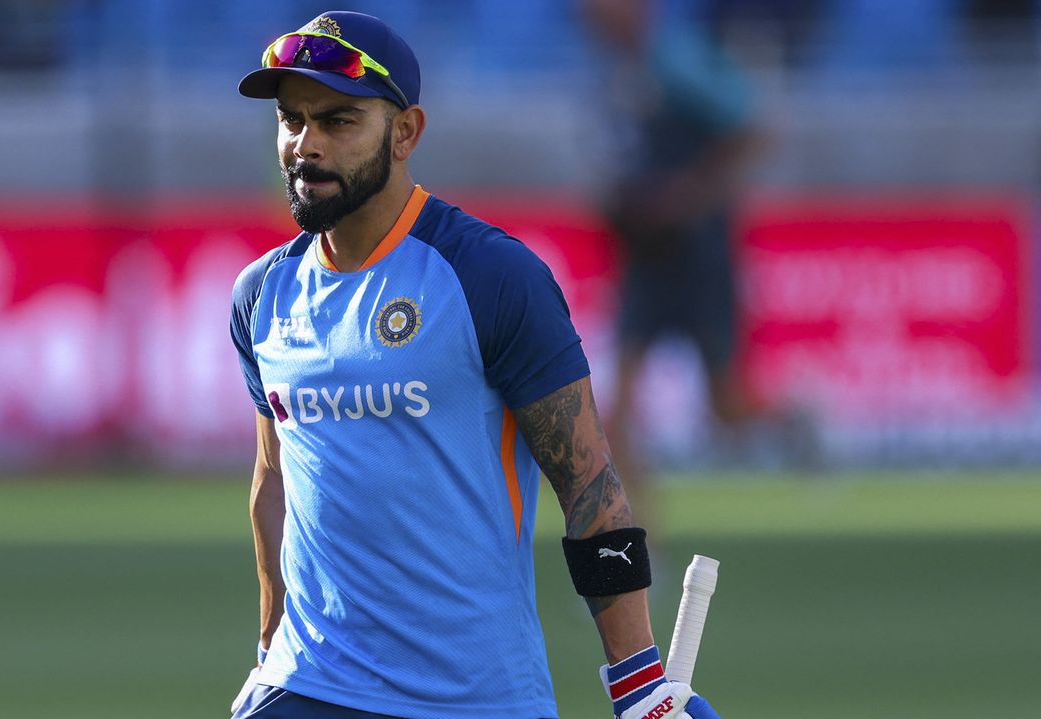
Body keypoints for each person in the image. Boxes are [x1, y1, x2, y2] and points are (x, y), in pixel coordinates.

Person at [228, 11, 720, 719]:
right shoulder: (261, 295)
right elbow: (273, 477)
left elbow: (589, 486)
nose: (306, 145)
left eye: (339, 121)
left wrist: (640, 682)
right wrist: (269, 638)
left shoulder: (490, 275)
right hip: (308, 684)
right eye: (292, 120)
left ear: (405, 133)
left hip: (476, 698)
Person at [581, 0, 807, 513]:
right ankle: (635, 542)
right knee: (614, 414)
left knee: (725, 410)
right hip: (646, 260)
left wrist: (692, 192)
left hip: (697, 258)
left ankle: (794, 419)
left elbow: (753, 128)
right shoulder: (615, 71)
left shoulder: (675, 60)